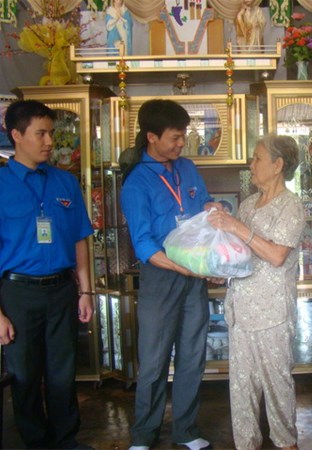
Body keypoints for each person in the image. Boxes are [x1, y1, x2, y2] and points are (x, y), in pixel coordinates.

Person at [120, 99, 221, 450]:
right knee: (154, 360)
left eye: (184, 136)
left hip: (194, 277)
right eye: (175, 137)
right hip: (161, 277)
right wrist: (184, 268)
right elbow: (143, 245)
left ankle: (186, 430)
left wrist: (212, 207)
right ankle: (144, 434)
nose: (182, 143)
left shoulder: (187, 168)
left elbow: (202, 204)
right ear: (151, 137)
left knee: (192, 355)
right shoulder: (136, 183)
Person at [0, 100, 94, 449]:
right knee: (24, 373)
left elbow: (80, 238)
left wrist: (85, 292)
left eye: (51, 133)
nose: (50, 142)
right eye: (40, 134)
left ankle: (66, 440)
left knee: (63, 371)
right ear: (16, 135)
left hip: (61, 290)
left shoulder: (65, 182)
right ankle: (36, 442)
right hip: (17, 293)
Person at [207, 134, 304, 450]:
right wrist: (223, 270)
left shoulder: (291, 206)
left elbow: (276, 256)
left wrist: (236, 227)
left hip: (272, 313)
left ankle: (286, 444)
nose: (251, 165)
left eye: (257, 158)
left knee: (277, 387)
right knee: (241, 388)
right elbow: (241, 254)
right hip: (241, 311)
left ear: (278, 165)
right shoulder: (248, 205)